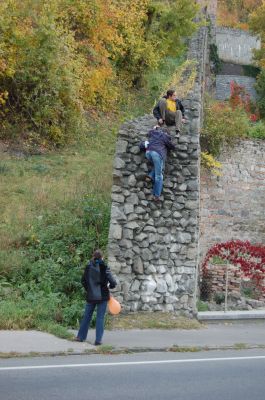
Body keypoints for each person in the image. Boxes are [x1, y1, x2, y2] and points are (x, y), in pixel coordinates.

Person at [75, 250, 117, 345]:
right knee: (100, 318)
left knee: (86, 316)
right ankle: (98, 340)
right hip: (103, 297)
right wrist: (109, 286)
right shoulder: (105, 267)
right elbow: (113, 282)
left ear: (93, 257)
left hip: (91, 296)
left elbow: (83, 281)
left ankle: (80, 337)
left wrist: (89, 289)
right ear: (102, 257)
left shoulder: (88, 267)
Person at [144, 125, 176, 202]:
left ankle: (150, 175)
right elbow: (172, 146)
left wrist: (154, 127)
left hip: (148, 152)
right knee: (159, 175)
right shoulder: (165, 136)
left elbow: (150, 132)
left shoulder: (154, 133)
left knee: (159, 166)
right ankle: (156, 196)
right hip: (157, 154)